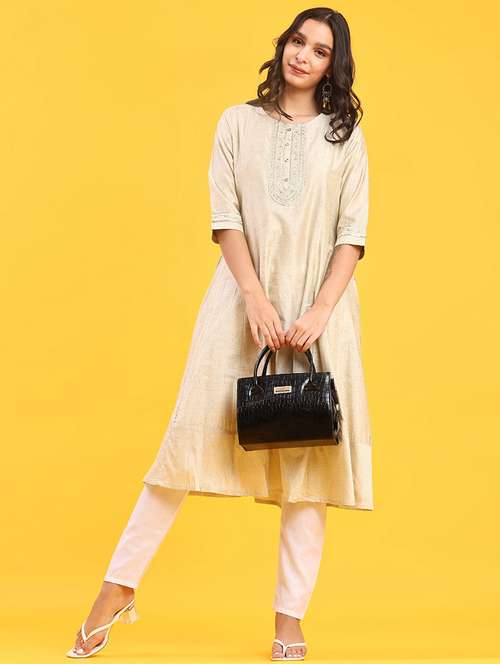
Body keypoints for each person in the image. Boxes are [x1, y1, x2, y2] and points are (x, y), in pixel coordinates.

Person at [67, 7, 374, 661]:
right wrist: (255, 299)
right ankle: (117, 588)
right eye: (297, 41)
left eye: (320, 50)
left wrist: (319, 311)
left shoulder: (345, 137)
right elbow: (225, 216)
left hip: (319, 315)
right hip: (239, 304)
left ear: (333, 66)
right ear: (283, 45)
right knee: (184, 447)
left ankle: (289, 622)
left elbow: (352, 233)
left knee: (307, 467)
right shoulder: (237, 123)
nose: (303, 55)